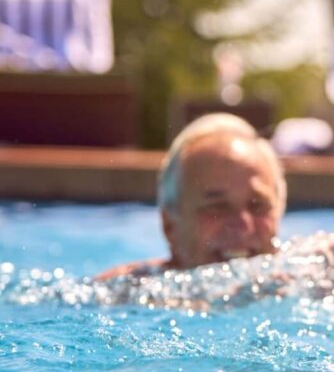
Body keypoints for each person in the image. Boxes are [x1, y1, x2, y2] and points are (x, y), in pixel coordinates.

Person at [94, 113, 287, 279]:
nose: (243, 225)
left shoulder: (307, 283)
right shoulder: (124, 296)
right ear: (170, 226)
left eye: (257, 205)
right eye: (217, 206)